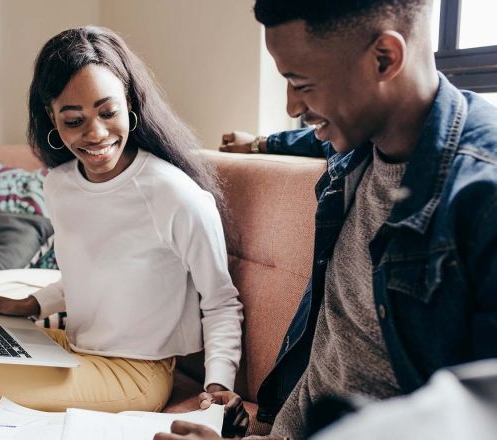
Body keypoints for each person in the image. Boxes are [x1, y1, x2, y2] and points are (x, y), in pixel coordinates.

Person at [0, 26, 245, 439]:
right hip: (75, 351)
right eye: (74, 120)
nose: (95, 134)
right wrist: (30, 305)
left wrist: (217, 386)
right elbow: (87, 272)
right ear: (52, 118)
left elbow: (220, 302)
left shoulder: (176, 195)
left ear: (130, 103)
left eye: (107, 112)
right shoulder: (60, 184)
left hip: (135, 374)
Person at [156, 0, 497, 439]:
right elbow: (309, 138)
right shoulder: (358, 145)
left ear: (384, 58)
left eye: (301, 84)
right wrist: (258, 144)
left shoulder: (480, 196)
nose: (292, 103)